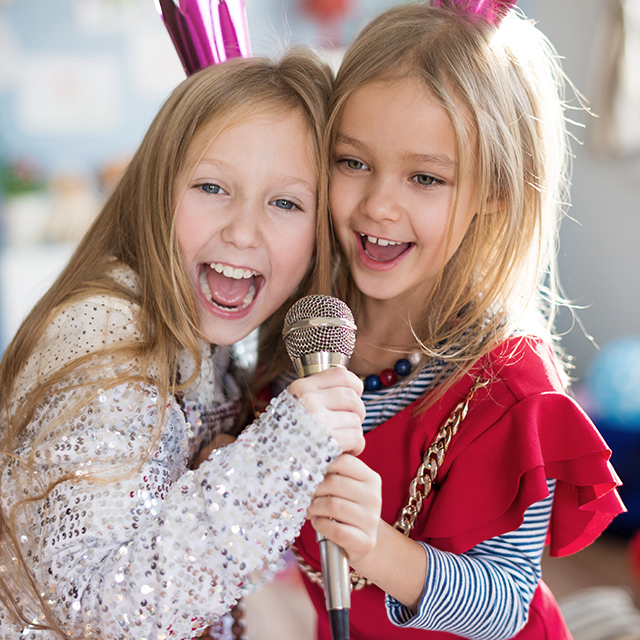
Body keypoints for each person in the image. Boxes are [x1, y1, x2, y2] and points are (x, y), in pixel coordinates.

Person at [282, 2, 627, 638]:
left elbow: (504, 602)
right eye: (353, 162)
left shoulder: (508, 383)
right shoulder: (311, 334)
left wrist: (375, 545)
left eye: (425, 177)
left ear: (496, 189)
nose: (379, 204)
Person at [0, 51, 367, 640]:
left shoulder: (212, 350)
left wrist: (220, 462)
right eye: (212, 187)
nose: (243, 230)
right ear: (155, 191)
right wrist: (280, 455)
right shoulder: (107, 338)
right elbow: (101, 609)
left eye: (285, 203)